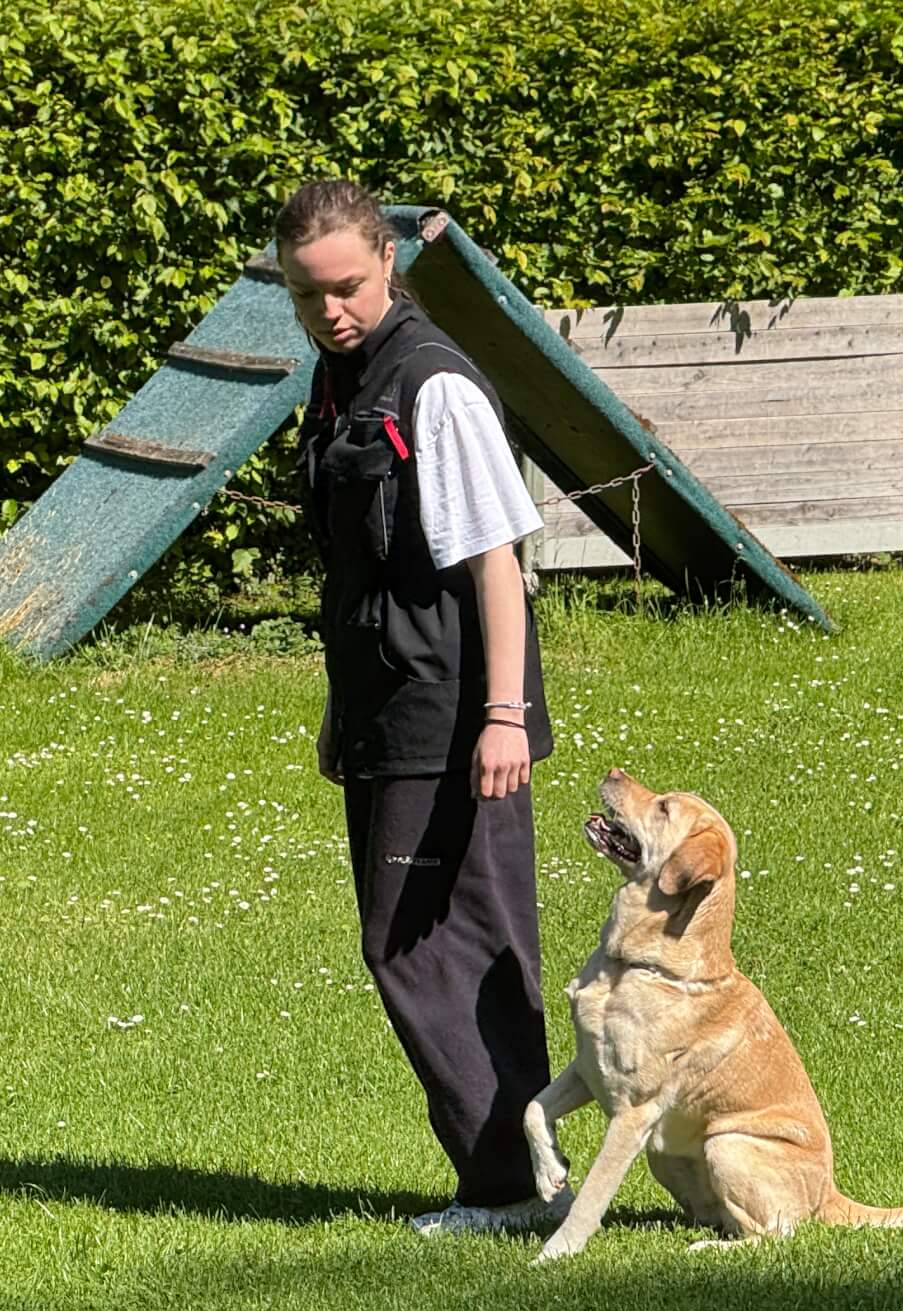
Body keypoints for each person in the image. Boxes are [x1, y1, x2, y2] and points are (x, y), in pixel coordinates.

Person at [276, 178, 571, 1237]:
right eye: (307, 296)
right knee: (410, 941)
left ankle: (515, 1190)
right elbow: (362, 575)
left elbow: (497, 562)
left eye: (346, 288)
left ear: (389, 263)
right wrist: (342, 711)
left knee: (450, 942)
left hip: (454, 712)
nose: (330, 312)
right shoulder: (341, 381)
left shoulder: (434, 385)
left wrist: (503, 715)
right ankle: (514, 1182)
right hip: (387, 708)